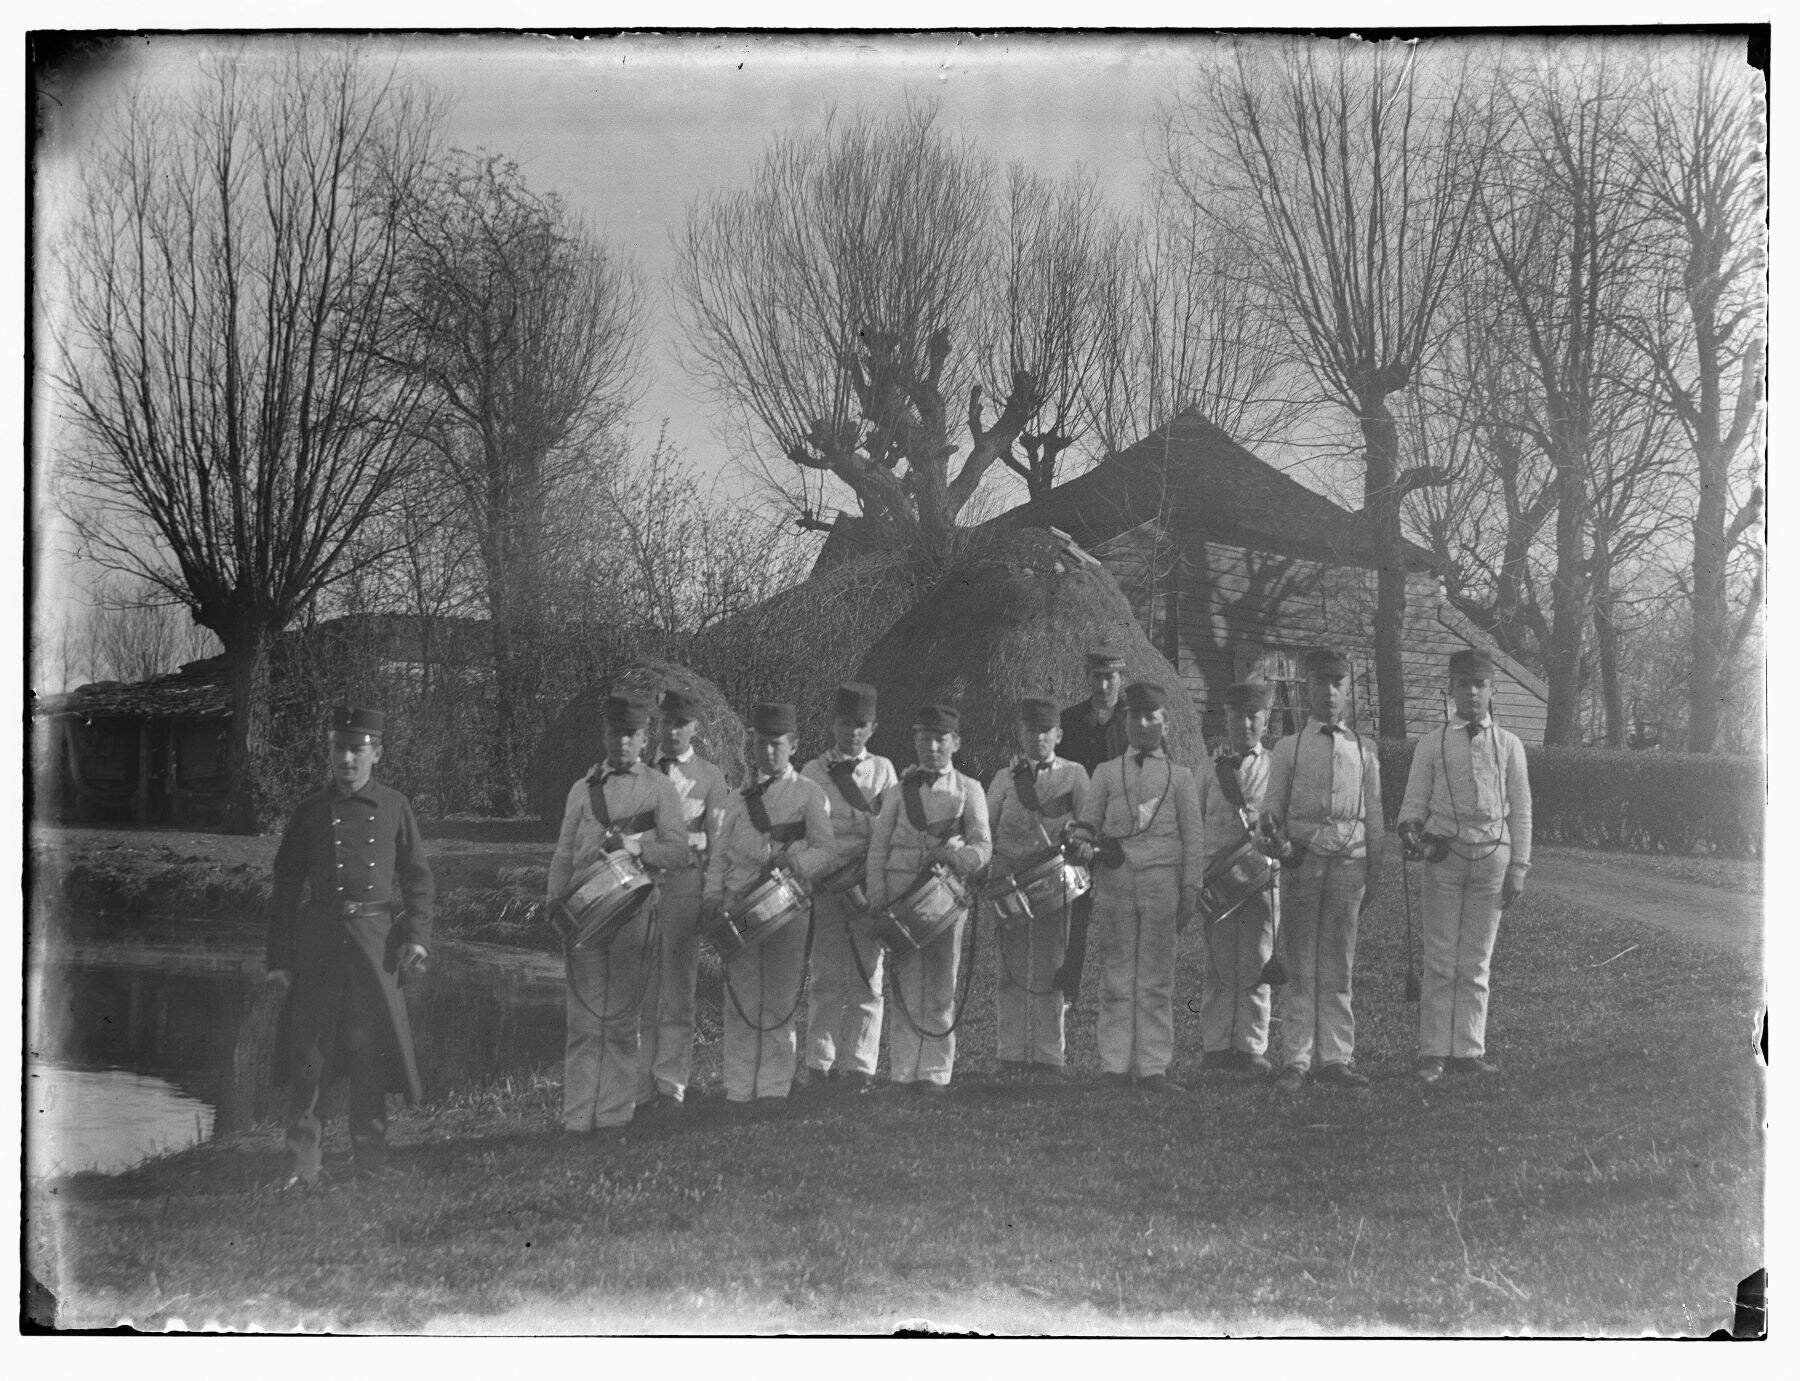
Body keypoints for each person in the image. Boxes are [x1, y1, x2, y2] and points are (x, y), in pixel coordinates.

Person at [264, 706, 434, 1188]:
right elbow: (284, 888)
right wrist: (279, 959)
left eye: (356, 750)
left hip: (375, 948)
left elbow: (419, 879)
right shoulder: (310, 811)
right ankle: (304, 1164)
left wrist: (417, 938)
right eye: (338, 748)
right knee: (309, 1054)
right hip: (317, 945)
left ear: (376, 753)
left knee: (369, 1054)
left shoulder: (396, 806)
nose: (346, 759)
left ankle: (371, 1162)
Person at [548, 692, 689, 1138]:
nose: (623, 741)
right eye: (615, 733)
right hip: (585, 916)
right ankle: (577, 1117)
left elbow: (680, 850)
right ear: (604, 735)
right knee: (584, 1021)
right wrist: (556, 909)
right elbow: (563, 854)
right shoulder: (581, 788)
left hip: (634, 913)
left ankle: (613, 1116)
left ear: (645, 738)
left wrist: (635, 847)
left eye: (632, 734)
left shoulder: (658, 787)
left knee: (624, 1021)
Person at [1397, 647, 1533, 1084]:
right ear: (1450, 689)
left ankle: (1469, 1049)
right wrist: (1411, 831)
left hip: (1493, 859)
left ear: (1492, 691)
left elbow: (1522, 810)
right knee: (1440, 958)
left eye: (1480, 685)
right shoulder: (1431, 743)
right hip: (1445, 859)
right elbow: (1413, 802)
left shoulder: (1509, 745)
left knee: (1476, 961)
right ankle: (1434, 1051)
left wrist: (1519, 868)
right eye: (1463, 684)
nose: (1471, 693)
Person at [1068, 681, 1203, 1093]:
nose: (1143, 725)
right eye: (1135, 717)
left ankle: (1153, 1067)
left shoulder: (1180, 778)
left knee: (1157, 976)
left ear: (1165, 722)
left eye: (1151, 717)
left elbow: (1193, 837)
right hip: (1117, 880)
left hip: (1163, 880)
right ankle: (1114, 1064)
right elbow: (1087, 824)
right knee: (1116, 973)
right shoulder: (1106, 773)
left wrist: (1191, 887)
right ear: (1125, 721)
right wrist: (1083, 842)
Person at [1263, 648, 1384, 1093]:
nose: (1329, 693)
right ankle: (1296, 1058)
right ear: (1306, 687)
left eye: (1338, 684)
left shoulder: (1364, 750)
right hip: (1302, 864)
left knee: (1339, 963)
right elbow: (1270, 812)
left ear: (1348, 689)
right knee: (1300, 963)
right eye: (1320, 683)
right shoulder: (1288, 747)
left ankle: (1335, 1057)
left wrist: (1376, 867)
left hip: (1349, 867)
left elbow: (1374, 815)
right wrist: (1275, 838)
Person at [702, 702, 834, 1111]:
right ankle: (739, 1089)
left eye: (777, 745)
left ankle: (774, 1087)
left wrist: (796, 862)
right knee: (741, 999)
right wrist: (712, 896)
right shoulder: (736, 797)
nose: (768, 752)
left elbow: (827, 851)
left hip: (788, 906)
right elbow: (720, 855)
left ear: (792, 745)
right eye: (761, 744)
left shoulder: (810, 794)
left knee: (779, 998)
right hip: (740, 905)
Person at [866, 703, 992, 1097]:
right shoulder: (898, 793)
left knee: (940, 985)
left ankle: (935, 1072)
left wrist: (956, 859)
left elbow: (983, 845)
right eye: (924, 738)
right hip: (900, 899)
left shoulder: (969, 789)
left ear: (955, 743)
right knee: (904, 984)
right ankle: (904, 1072)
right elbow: (878, 848)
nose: (932, 746)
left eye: (940, 739)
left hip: (945, 898)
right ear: (915, 741)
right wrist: (877, 897)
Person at [635, 687, 730, 1117]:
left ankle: (671, 1086)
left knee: (678, 990)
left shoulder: (709, 778)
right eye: (665, 722)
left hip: (684, 890)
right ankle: (638, 1086)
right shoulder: (637, 771)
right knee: (641, 989)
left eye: (681, 724)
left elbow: (717, 841)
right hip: (638, 889)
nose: (672, 731)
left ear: (695, 728)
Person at [800, 682, 898, 1095]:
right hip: (825, 884)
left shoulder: (884, 770)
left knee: (868, 975)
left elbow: (891, 830)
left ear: (872, 728)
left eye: (860, 725)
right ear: (832, 724)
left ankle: (859, 1065)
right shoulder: (812, 772)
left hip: (866, 881)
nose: (851, 732)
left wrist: (874, 885)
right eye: (844, 723)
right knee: (824, 977)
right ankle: (819, 1064)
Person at [984, 697, 1089, 1079]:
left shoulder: (1075, 774)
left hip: (1053, 882)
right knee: (1009, 971)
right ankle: (1009, 1054)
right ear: (1021, 733)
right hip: (1011, 880)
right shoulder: (1003, 778)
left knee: (1052, 968)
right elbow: (986, 828)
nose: (1039, 737)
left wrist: (1078, 837)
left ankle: (1050, 1057)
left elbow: (1088, 820)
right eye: (1031, 730)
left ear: (1058, 734)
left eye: (1046, 731)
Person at [1196, 681, 1281, 1075]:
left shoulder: (1277, 768)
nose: (1245, 724)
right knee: (1219, 963)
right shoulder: (1208, 771)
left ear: (1265, 721)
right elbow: (1196, 826)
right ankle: (1216, 1046)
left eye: (1253, 717)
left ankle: (1250, 1047)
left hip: (1262, 877)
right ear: (1226, 720)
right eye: (1237, 717)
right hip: (1217, 881)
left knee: (1257, 960)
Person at [1055, 647, 1130, 1007]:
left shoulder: (1135, 722)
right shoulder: (1069, 722)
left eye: (1110, 677)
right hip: (1081, 830)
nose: (1103, 685)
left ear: (1121, 678)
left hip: (1121, 834)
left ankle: (1119, 994)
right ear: (1087, 678)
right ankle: (1068, 990)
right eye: (1097, 677)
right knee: (1075, 915)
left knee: (1122, 916)